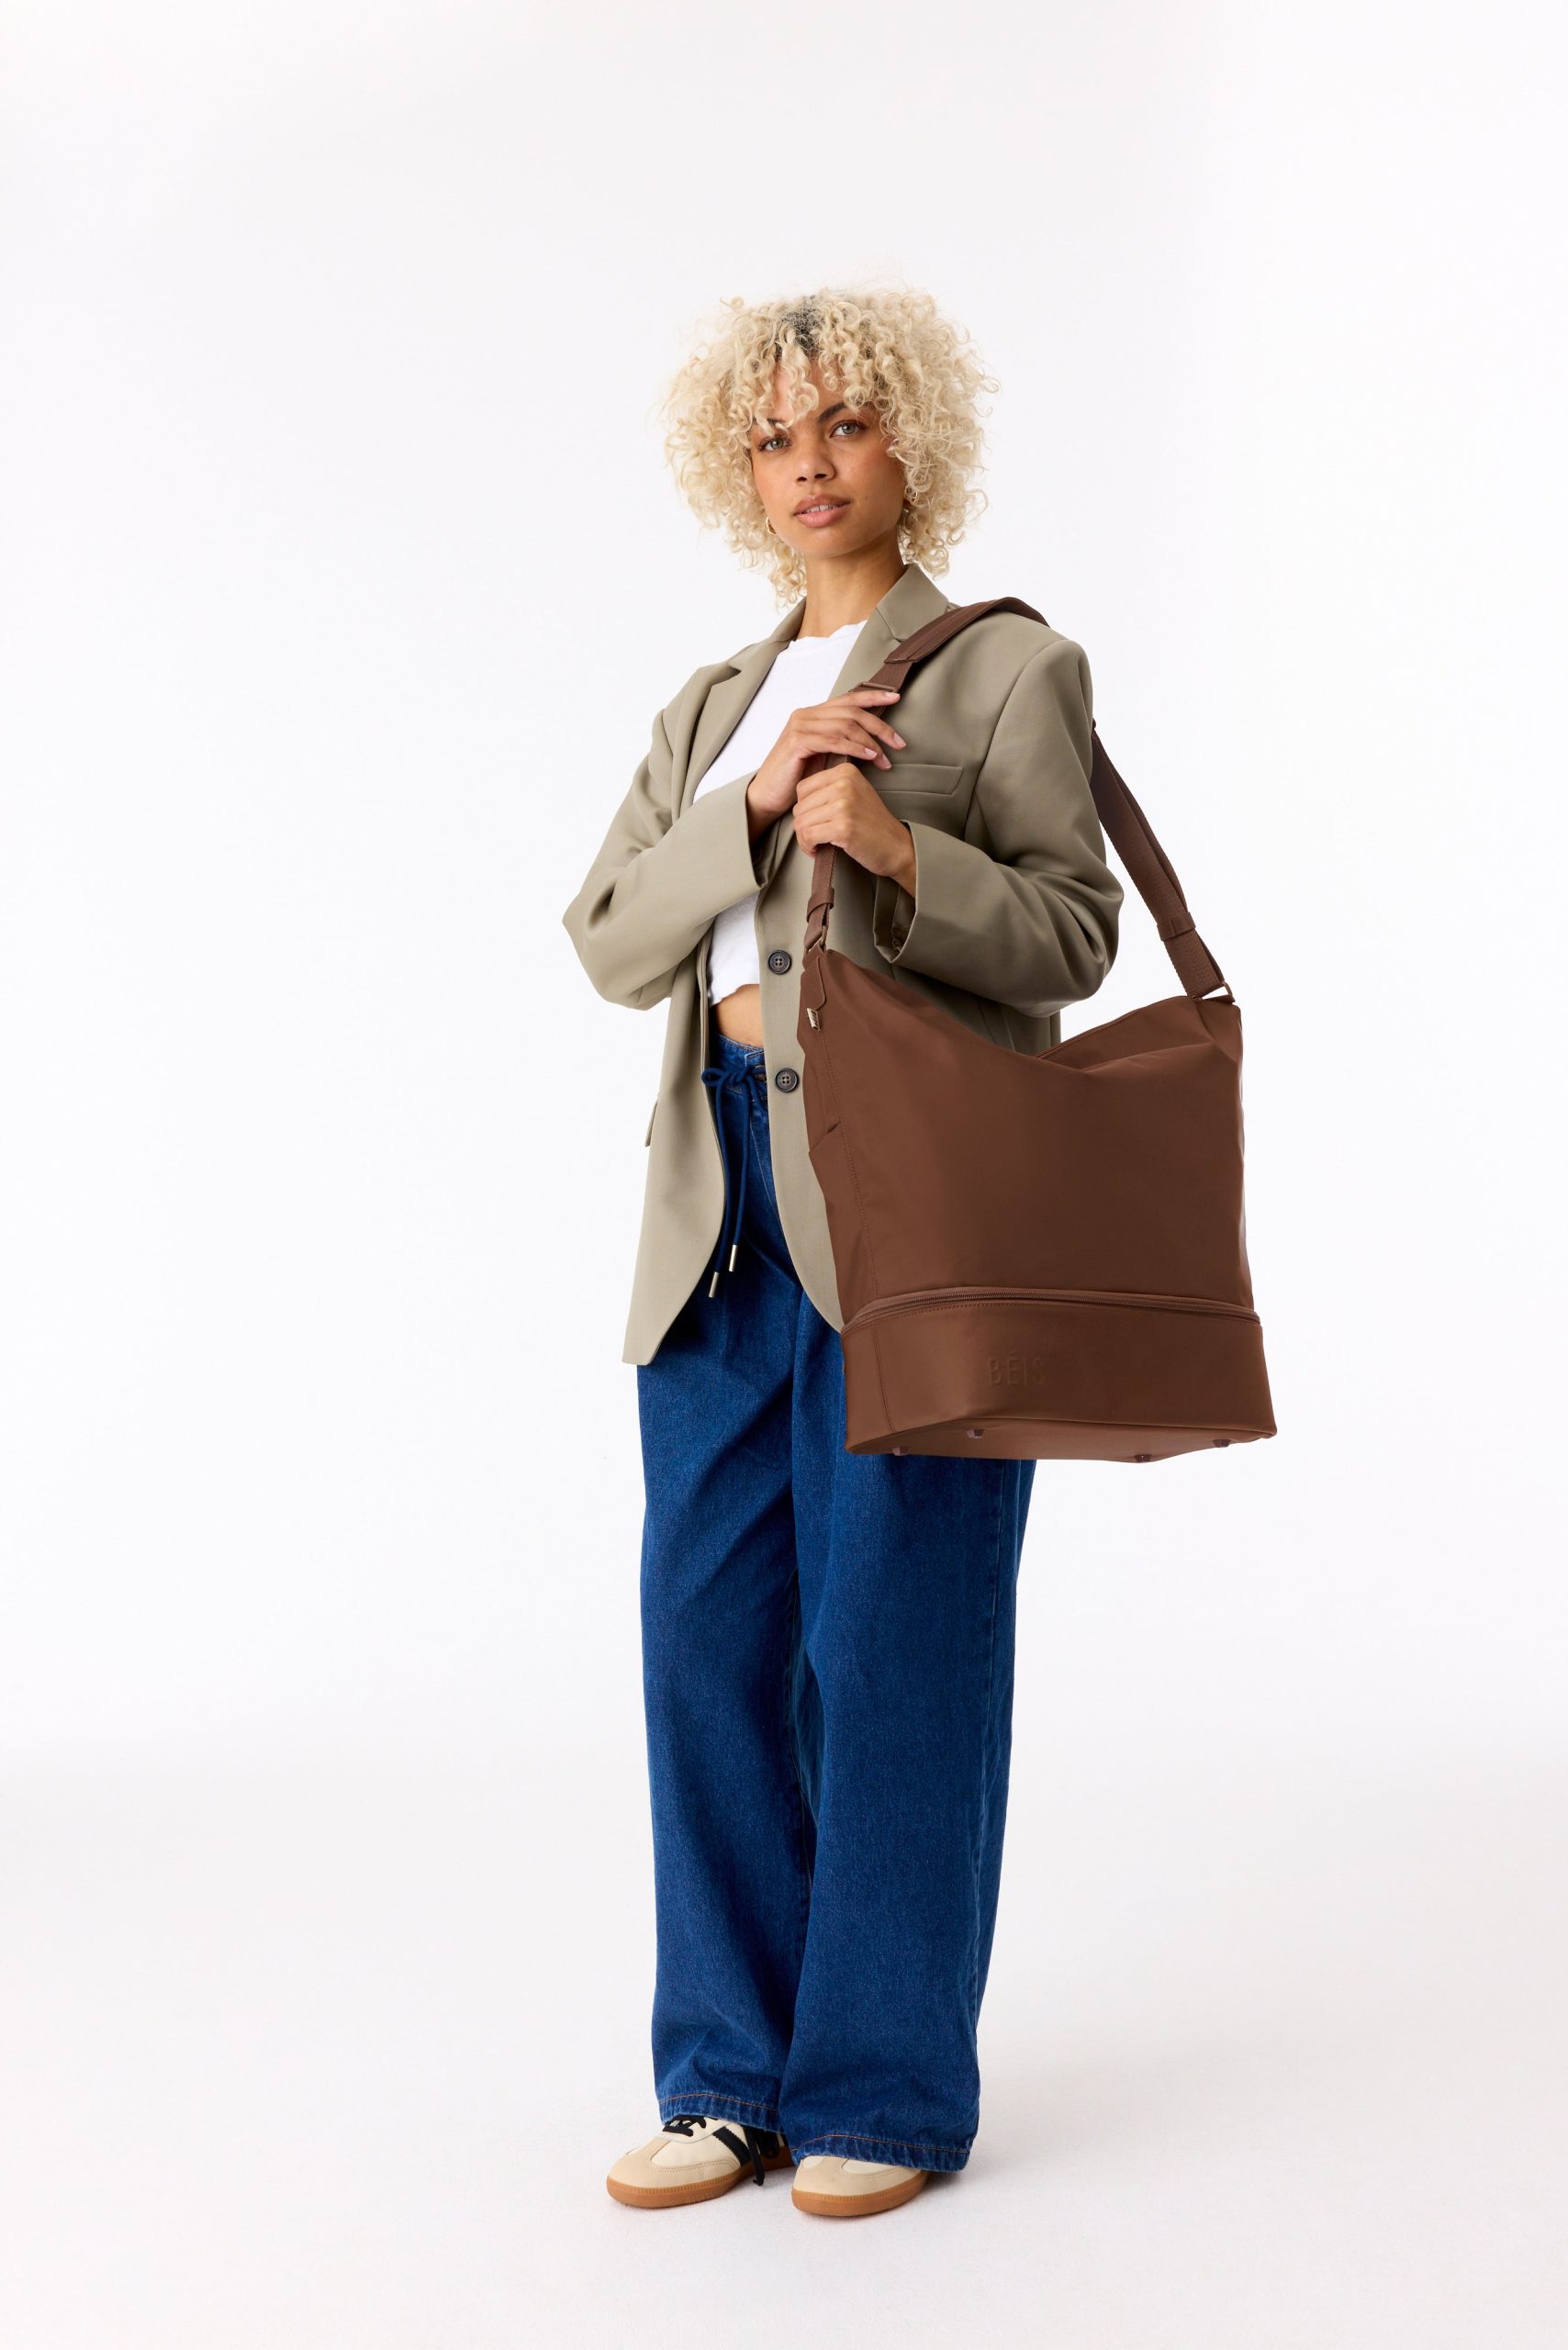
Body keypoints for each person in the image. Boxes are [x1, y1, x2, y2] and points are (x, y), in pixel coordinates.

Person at [561, 285, 1123, 2220]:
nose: (811, 464)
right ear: (739, 471)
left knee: (895, 1645)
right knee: (705, 1644)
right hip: (713, 1214)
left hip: (912, 1214)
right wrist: (755, 800)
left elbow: (1072, 934)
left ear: (911, 444)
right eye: (775, 437)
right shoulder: (713, 707)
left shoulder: (1006, 670)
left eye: (847, 425)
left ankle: (879, 2081)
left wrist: (894, 849)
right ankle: (727, 2074)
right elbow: (609, 935)